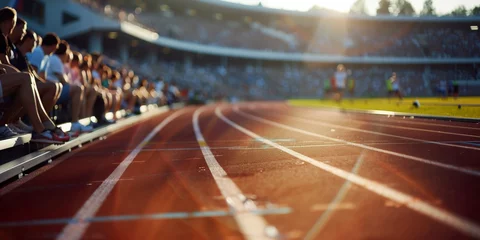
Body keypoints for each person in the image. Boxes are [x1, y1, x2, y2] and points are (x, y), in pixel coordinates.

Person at [0, 7, 66, 142]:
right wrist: (18, 75)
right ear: (7, 22)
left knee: (28, 80)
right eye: (13, 24)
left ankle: (40, 125)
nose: (13, 28)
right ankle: (40, 127)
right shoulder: (2, 38)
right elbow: (5, 65)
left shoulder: (7, 42)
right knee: (27, 79)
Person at [44, 40, 93, 136]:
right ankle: (75, 122)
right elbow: (64, 81)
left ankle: (79, 120)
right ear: (65, 52)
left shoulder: (56, 60)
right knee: (78, 89)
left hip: (54, 89)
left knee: (78, 89)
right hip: (52, 90)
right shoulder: (55, 59)